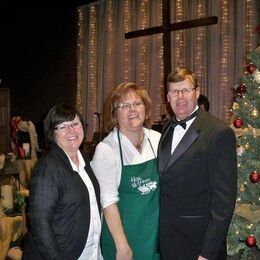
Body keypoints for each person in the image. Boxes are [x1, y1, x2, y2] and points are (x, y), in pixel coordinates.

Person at [158, 68, 237, 260]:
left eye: (185, 90)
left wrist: (208, 253)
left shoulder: (218, 132)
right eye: (174, 92)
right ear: (168, 97)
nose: (180, 97)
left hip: (199, 245)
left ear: (197, 92)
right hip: (169, 241)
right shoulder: (166, 128)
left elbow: (224, 202)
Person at [22, 103, 102, 260]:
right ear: (53, 133)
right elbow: (40, 223)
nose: (71, 130)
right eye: (63, 126)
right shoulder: (47, 168)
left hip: (89, 251)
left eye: (75, 124)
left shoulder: (84, 158)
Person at [91, 82, 161, 260]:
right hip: (123, 238)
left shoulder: (157, 140)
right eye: (124, 105)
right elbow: (108, 203)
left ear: (146, 108)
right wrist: (122, 247)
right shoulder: (107, 149)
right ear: (115, 113)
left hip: (154, 234)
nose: (133, 110)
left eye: (138, 103)